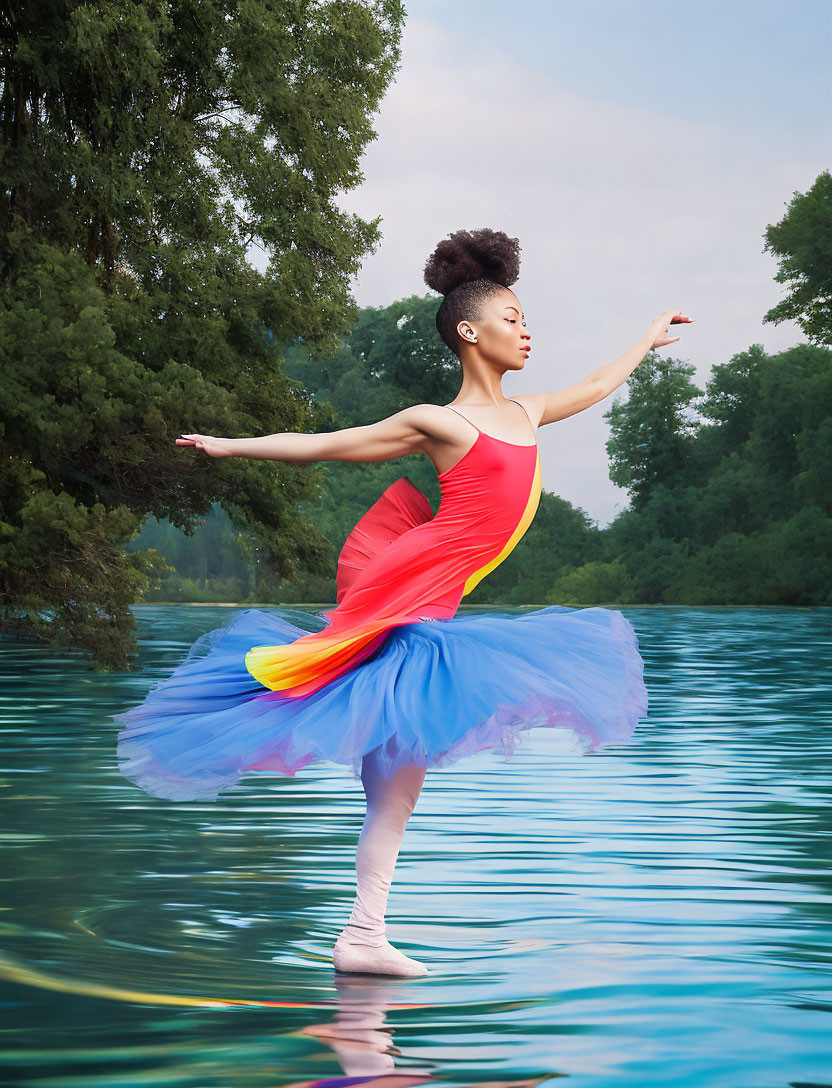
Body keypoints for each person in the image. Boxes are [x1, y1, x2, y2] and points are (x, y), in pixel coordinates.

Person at [112, 227, 692, 979]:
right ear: (469, 331)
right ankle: (361, 933)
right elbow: (327, 443)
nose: (527, 332)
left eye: (525, 320)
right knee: (387, 748)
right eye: (513, 319)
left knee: (398, 768)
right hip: (408, 594)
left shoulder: (527, 412)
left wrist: (644, 342)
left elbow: (593, 386)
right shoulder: (440, 423)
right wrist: (231, 446)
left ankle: (363, 933)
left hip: (436, 604)